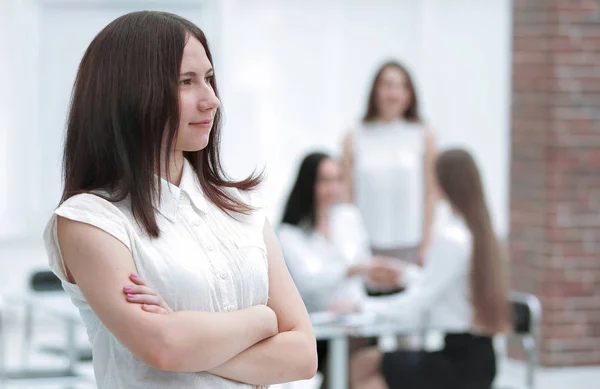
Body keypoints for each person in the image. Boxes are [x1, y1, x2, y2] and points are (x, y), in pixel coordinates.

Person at [42, 11, 316, 389]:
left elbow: (303, 355)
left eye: (209, 79)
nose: (212, 100)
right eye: (187, 82)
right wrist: (262, 321)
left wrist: (194, 341)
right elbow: (165, 347)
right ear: (129, 93)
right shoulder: (90, 220)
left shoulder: (241, 210)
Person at [348, 148, 511, 389]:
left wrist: (360, 305)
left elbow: (419, 301)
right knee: (368, 365)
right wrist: (403, 274)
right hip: (482, 359)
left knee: (363, 368)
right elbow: (448, 284)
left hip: (457, 363)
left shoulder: (450, 237)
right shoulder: (482, 234)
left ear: (442, 184)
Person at [277, 152, 374, 389]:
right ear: (309, 183)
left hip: (358, 321)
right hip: (319, 329)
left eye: (337, 179)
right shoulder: (290, 233)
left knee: (365, 368)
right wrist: (349, 270)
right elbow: (308, 281)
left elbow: (365, 267)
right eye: (325, 180)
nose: (333, 188)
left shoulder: (348, 217)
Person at [341, 60, 438, 267]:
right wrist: (348, 242)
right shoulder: (355, 136)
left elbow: (431, 193)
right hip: (366, 244)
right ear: (375, 90)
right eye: (387, 85)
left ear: (409, 94)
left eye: (401, 86)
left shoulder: (423, 135)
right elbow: (347, 195)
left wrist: (427, 245)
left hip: (410, 244)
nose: (393, 94)